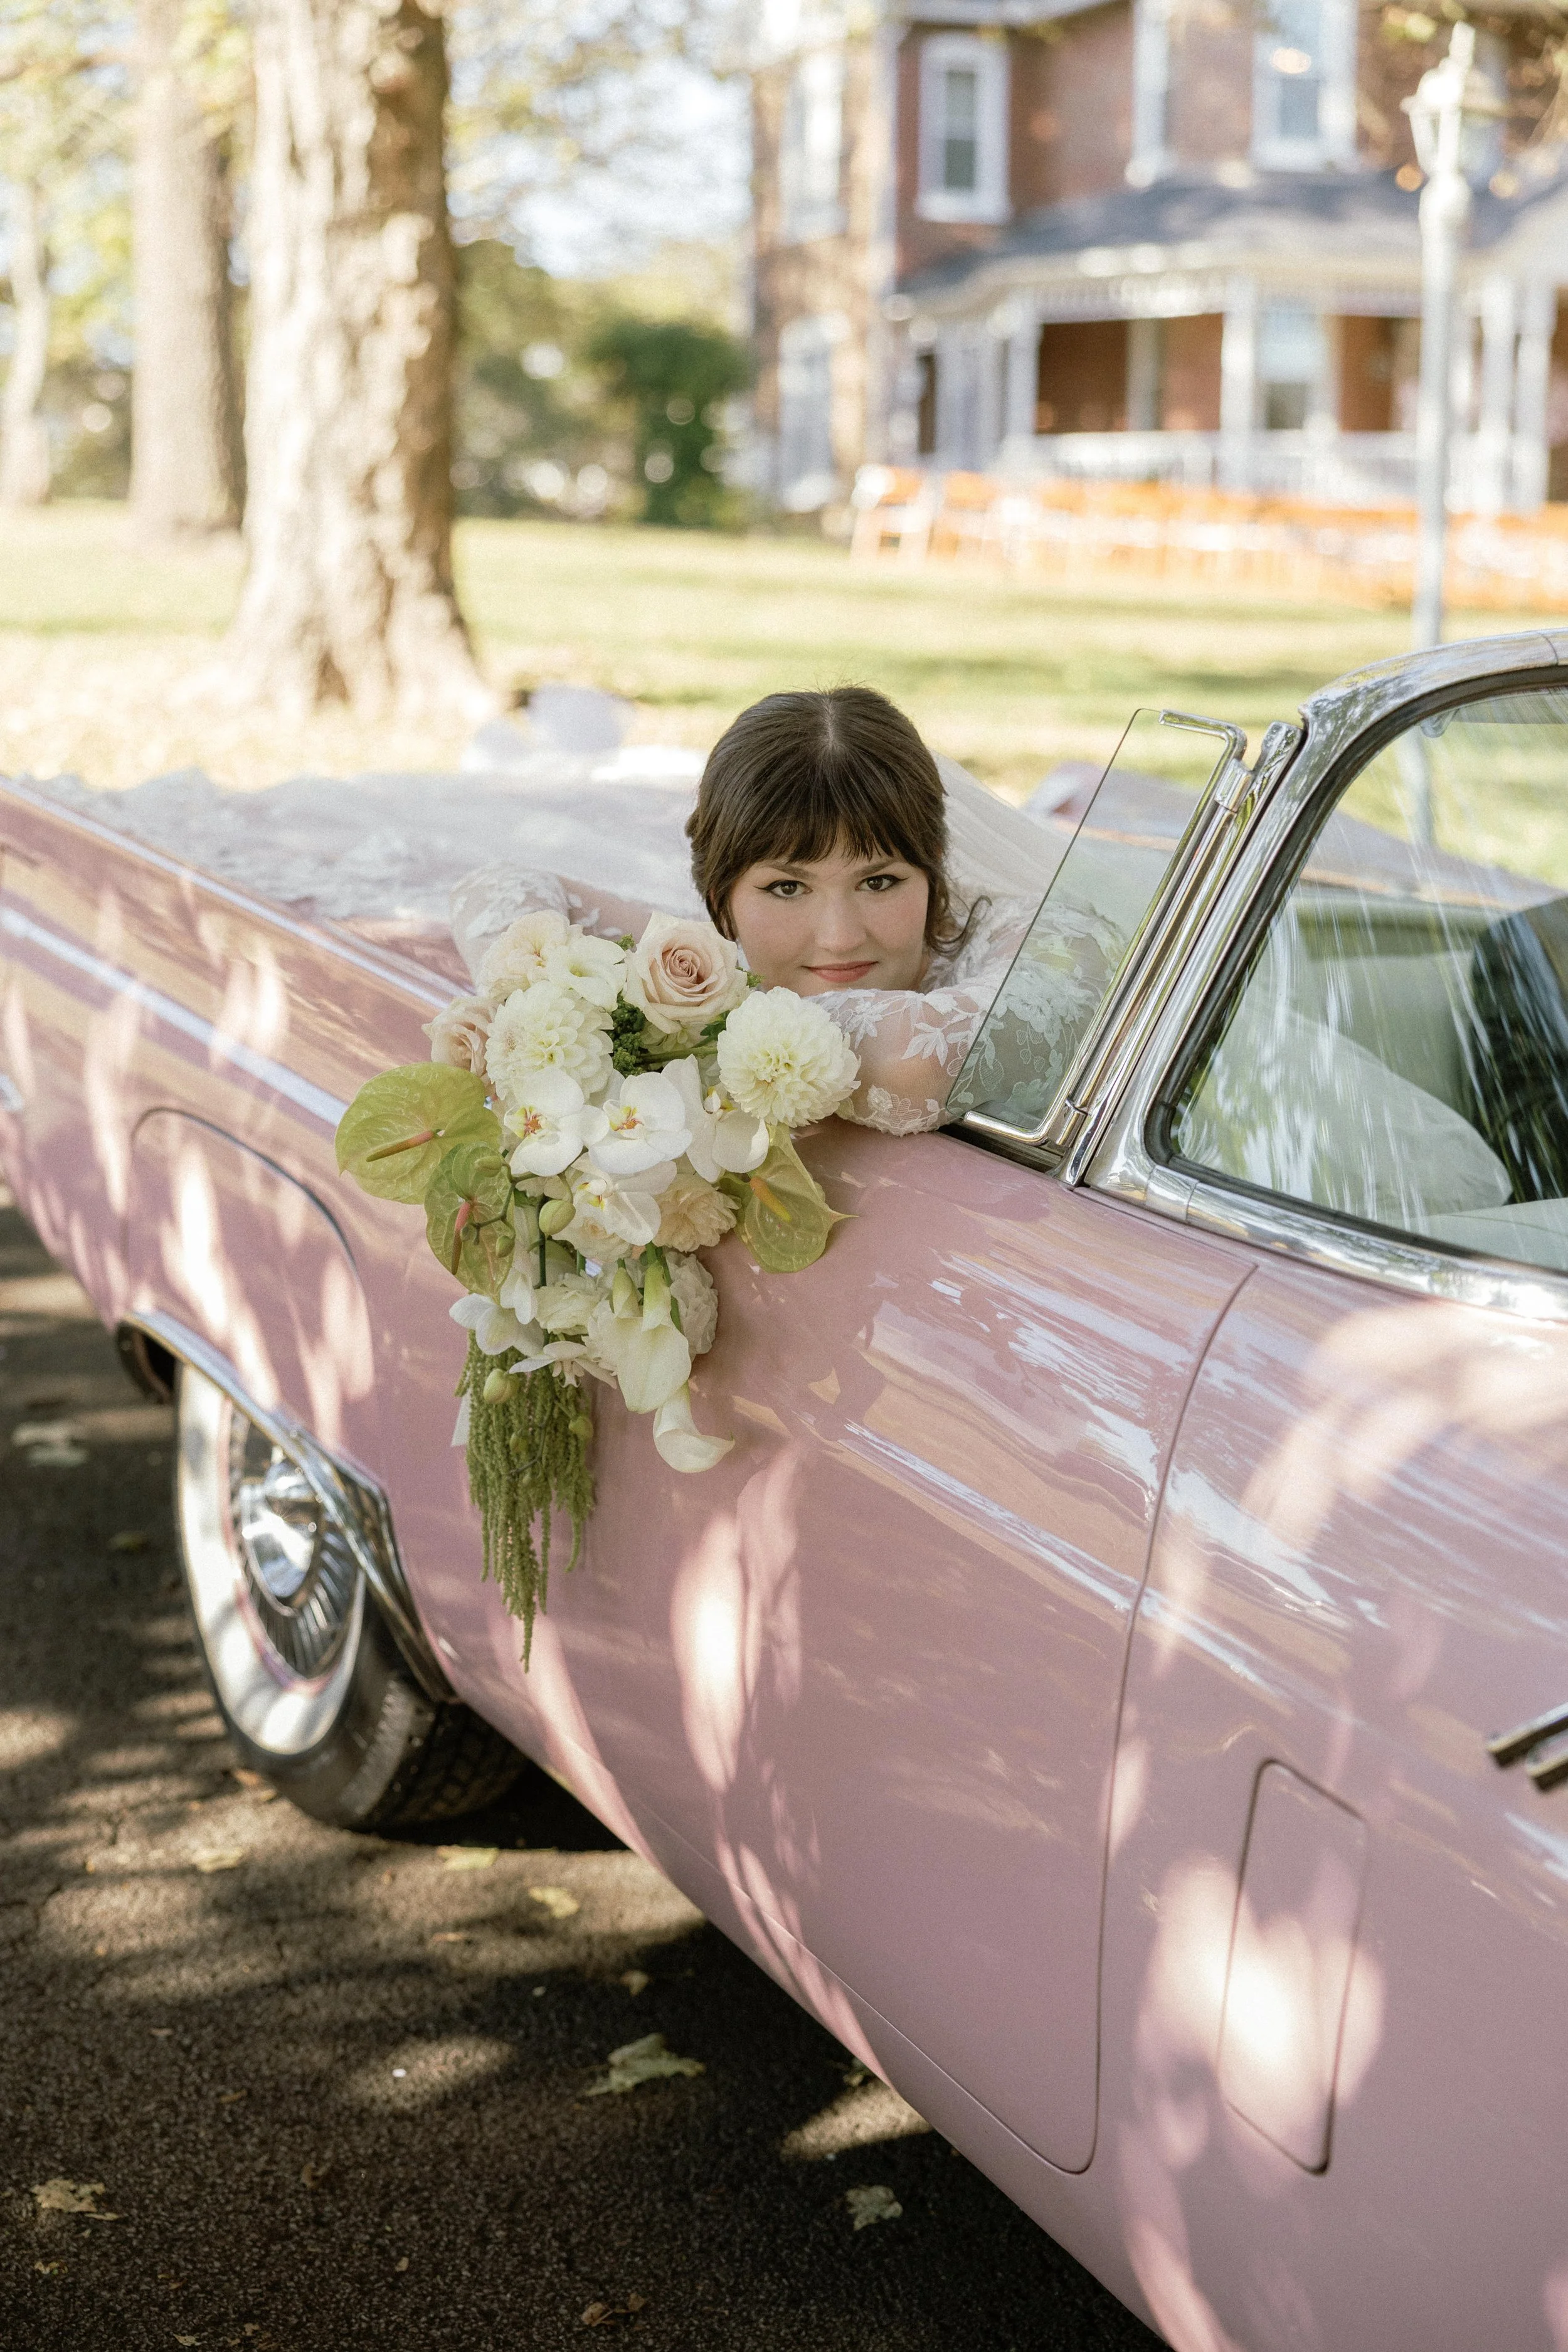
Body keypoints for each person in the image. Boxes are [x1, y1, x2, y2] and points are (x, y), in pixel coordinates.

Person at [451, 684, 1049, 1135]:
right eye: (789, 888)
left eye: (880, 881)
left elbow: (908, 1061)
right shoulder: (711, 973)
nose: (840, 938)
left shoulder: (1033, 936)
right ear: (720, 895)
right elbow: (500, 888)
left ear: (934, 865)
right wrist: (542, 1014)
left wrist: (690, 1029)